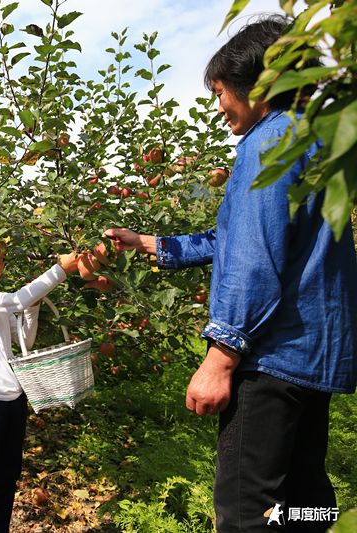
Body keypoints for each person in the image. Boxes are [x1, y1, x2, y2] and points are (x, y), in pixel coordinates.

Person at [104, 15, 357, 533]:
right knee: (306, 498)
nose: (219, 106)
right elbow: (252, 241)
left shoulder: (267, 142)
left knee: (248, 511)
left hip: (271, 358)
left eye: (221, 91)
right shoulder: (314, 142)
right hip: (312, 357)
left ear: (258, 86)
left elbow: (252, 260)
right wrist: (156, 244)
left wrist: (221, 355)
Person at [0, 230, 79, 533]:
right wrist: (61, 269)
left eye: (3, 259)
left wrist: (33, 305)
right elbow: (18, 298)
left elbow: (25, 338)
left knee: (6, 481)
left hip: (13, 400)